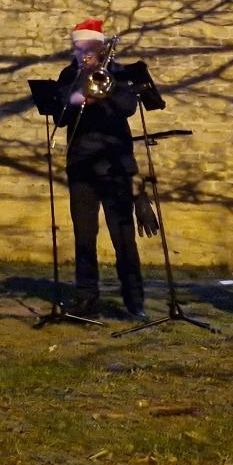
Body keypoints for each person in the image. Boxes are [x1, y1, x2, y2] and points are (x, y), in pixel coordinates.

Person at [55, 18, 149, 321]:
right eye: (78, 48)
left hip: (115, 165)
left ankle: (134, 300)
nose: (83, 54)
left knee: (123, 236)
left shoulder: (118, 73)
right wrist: (76, 97)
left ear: (100, 49)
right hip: (81, 165)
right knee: (84, 236)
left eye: (88, 49)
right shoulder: (68, 75)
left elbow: (128, 107)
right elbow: (59, 117)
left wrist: (105, 89)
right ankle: (86, 298)